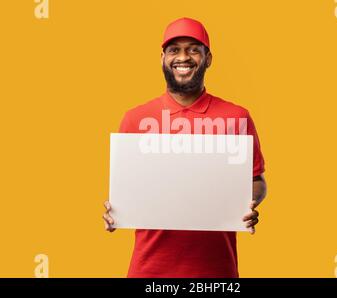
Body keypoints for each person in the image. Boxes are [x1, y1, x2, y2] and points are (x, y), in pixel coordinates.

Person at [102, 17, 267, 278]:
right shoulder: (135, 118)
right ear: (162, 58)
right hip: (148, 271)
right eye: (174, 50)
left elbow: (256, 181)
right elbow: (127, 187)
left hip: (216, 272)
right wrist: (117, 211)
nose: (183, 57)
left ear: (208, 58)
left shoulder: (236, 117)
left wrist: (248, 203)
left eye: (193, 49)